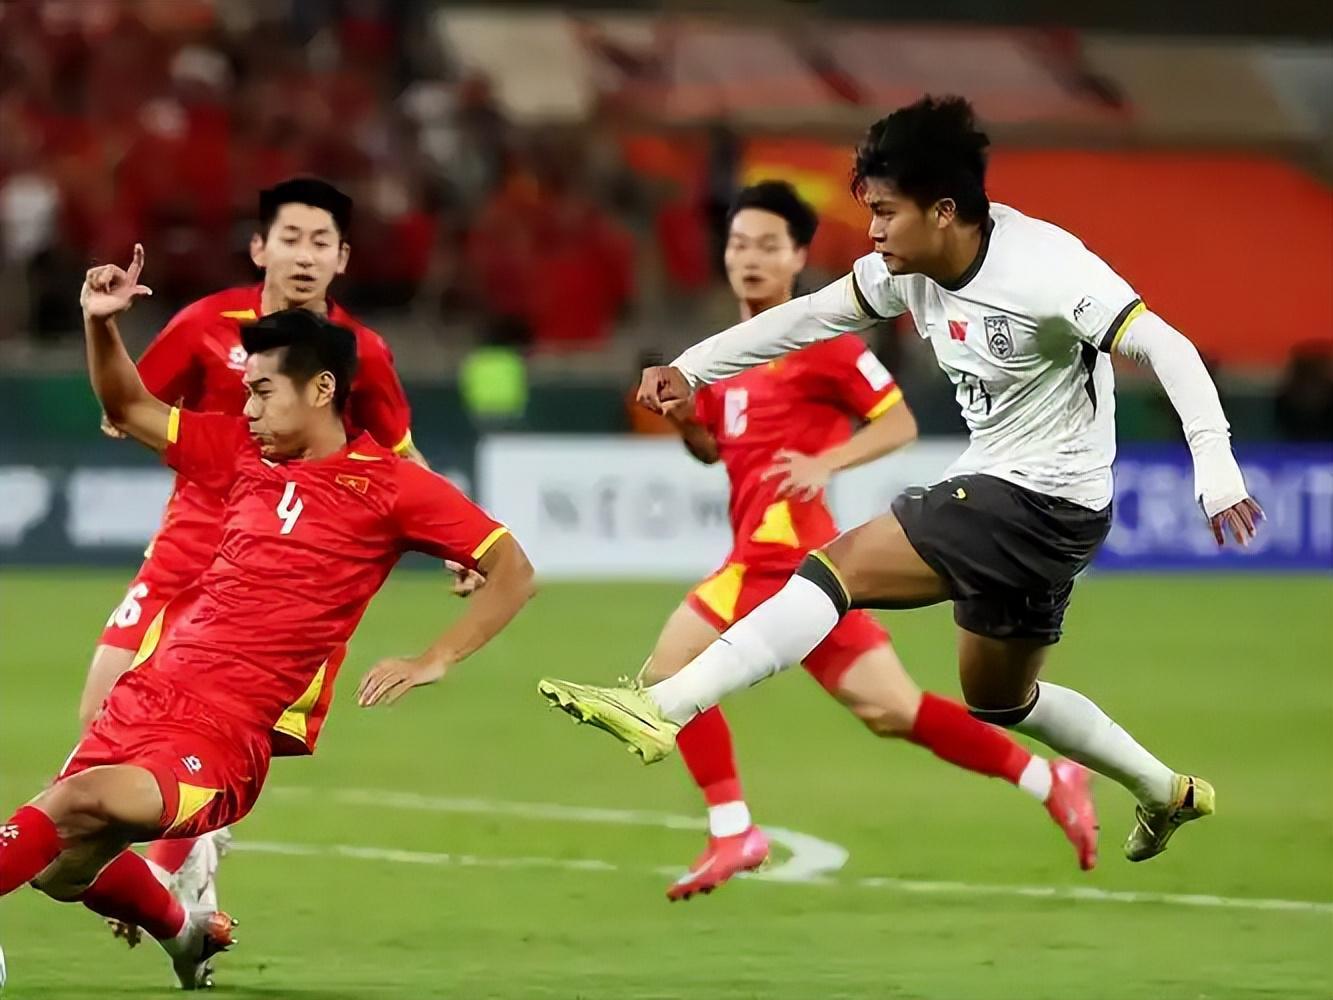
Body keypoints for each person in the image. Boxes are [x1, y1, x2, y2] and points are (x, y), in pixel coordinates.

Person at [540, 96, 1263, 865]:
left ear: (944, 211)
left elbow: (1166, 346)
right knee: (999, 699)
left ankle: (663, 704)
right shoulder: (905, 271)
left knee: (835, 569)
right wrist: (692, 368)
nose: (873, 230)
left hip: (1042, 498)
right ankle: (1162, 790)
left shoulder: (1047, 269)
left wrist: (1215, 465)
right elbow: (803, 318)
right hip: (1022, 496)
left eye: (886, 212)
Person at [0, 247, 535, 989]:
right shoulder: (239, 454)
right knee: (59, 869)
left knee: (74, 802)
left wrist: (434, 658)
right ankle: (187, 933)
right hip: (146, 695)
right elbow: (128, 409)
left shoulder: (392, 488)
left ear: (321, 389)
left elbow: (513, 569)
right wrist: (100, 324)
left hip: (222, 735)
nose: (246, 409)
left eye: (260, 393)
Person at [645, 181, 1098, 898]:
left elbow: (899, 423)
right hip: (776, 564)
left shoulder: (825, 346)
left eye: (768, 245)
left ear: (798, 257)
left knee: (667, 674)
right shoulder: (722, 364)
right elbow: (712, 452)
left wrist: (826, 461)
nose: (750, 259)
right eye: (738, 245)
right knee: (895, 711)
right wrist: (685, 421)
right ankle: (1049, 778)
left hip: (790, 558)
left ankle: (733, 830)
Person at [84, 177, 423, 919]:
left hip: (283, 566)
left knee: (223, 727)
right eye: (291, 239)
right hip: (189, 541)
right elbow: (131, 405)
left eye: (321, 243)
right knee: (102, 711)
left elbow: (401, 458)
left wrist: (459, 546)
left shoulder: (360, 353)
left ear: (342, 259)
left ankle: (173, 874)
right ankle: (186, 869)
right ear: (260, 248)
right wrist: (123, 383)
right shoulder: (207, 324)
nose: (305, 256)